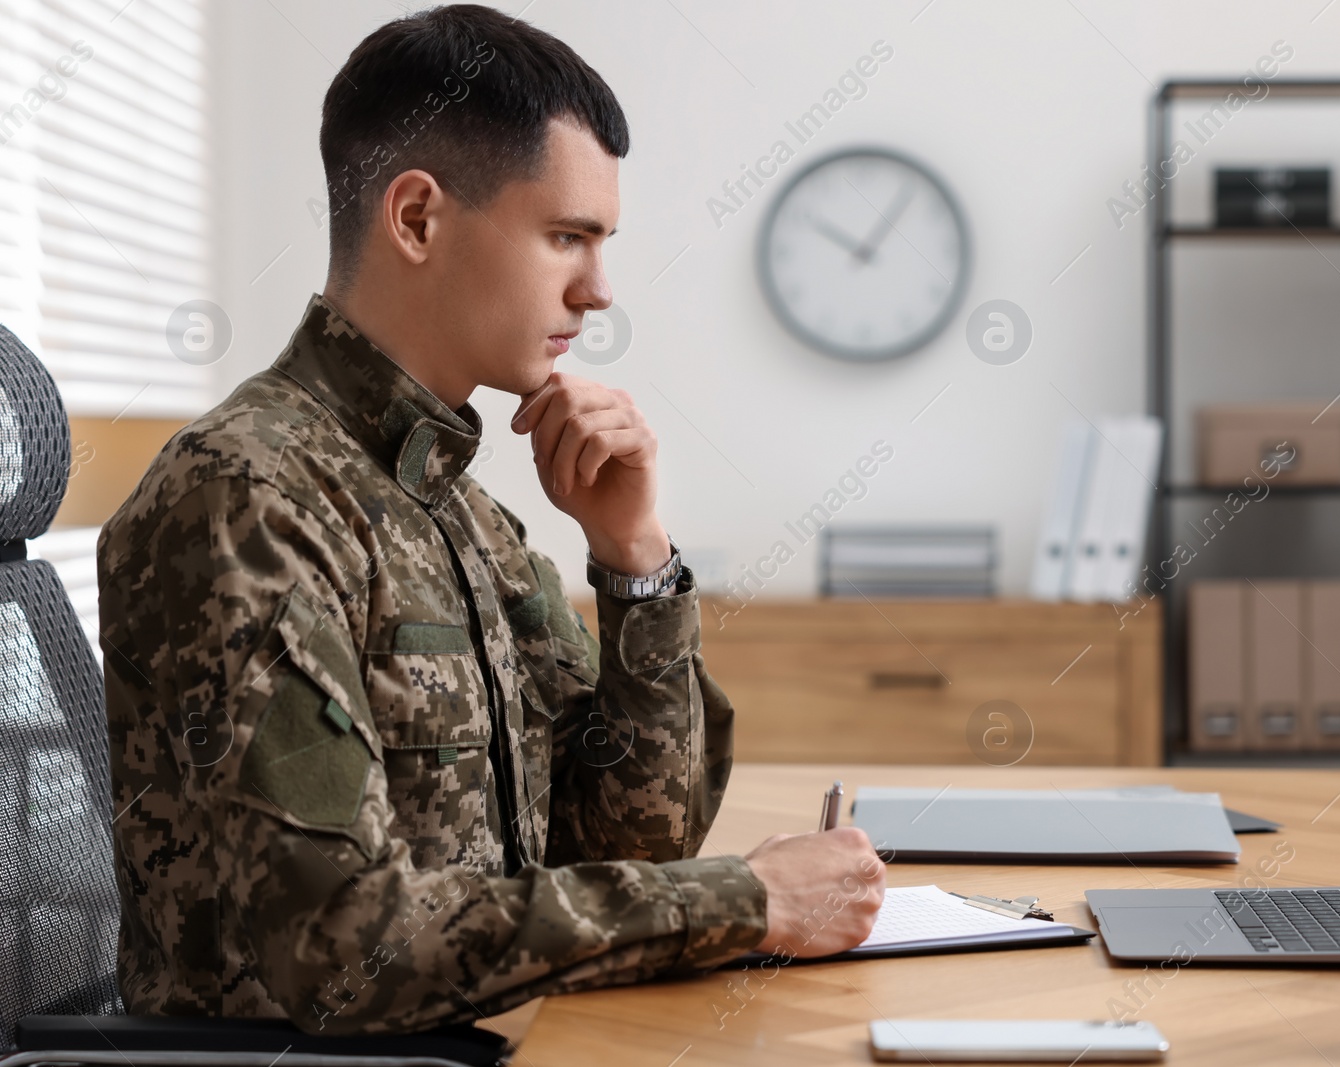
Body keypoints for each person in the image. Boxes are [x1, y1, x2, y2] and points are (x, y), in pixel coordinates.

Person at [97, 3, 884, 1035]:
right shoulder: (249, 499)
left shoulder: (460, 507)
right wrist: (748, 897)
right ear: (417, 218)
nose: (598, 290)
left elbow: (629, 839)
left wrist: (634, 560)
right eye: (567, 236)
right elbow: (342, 943)